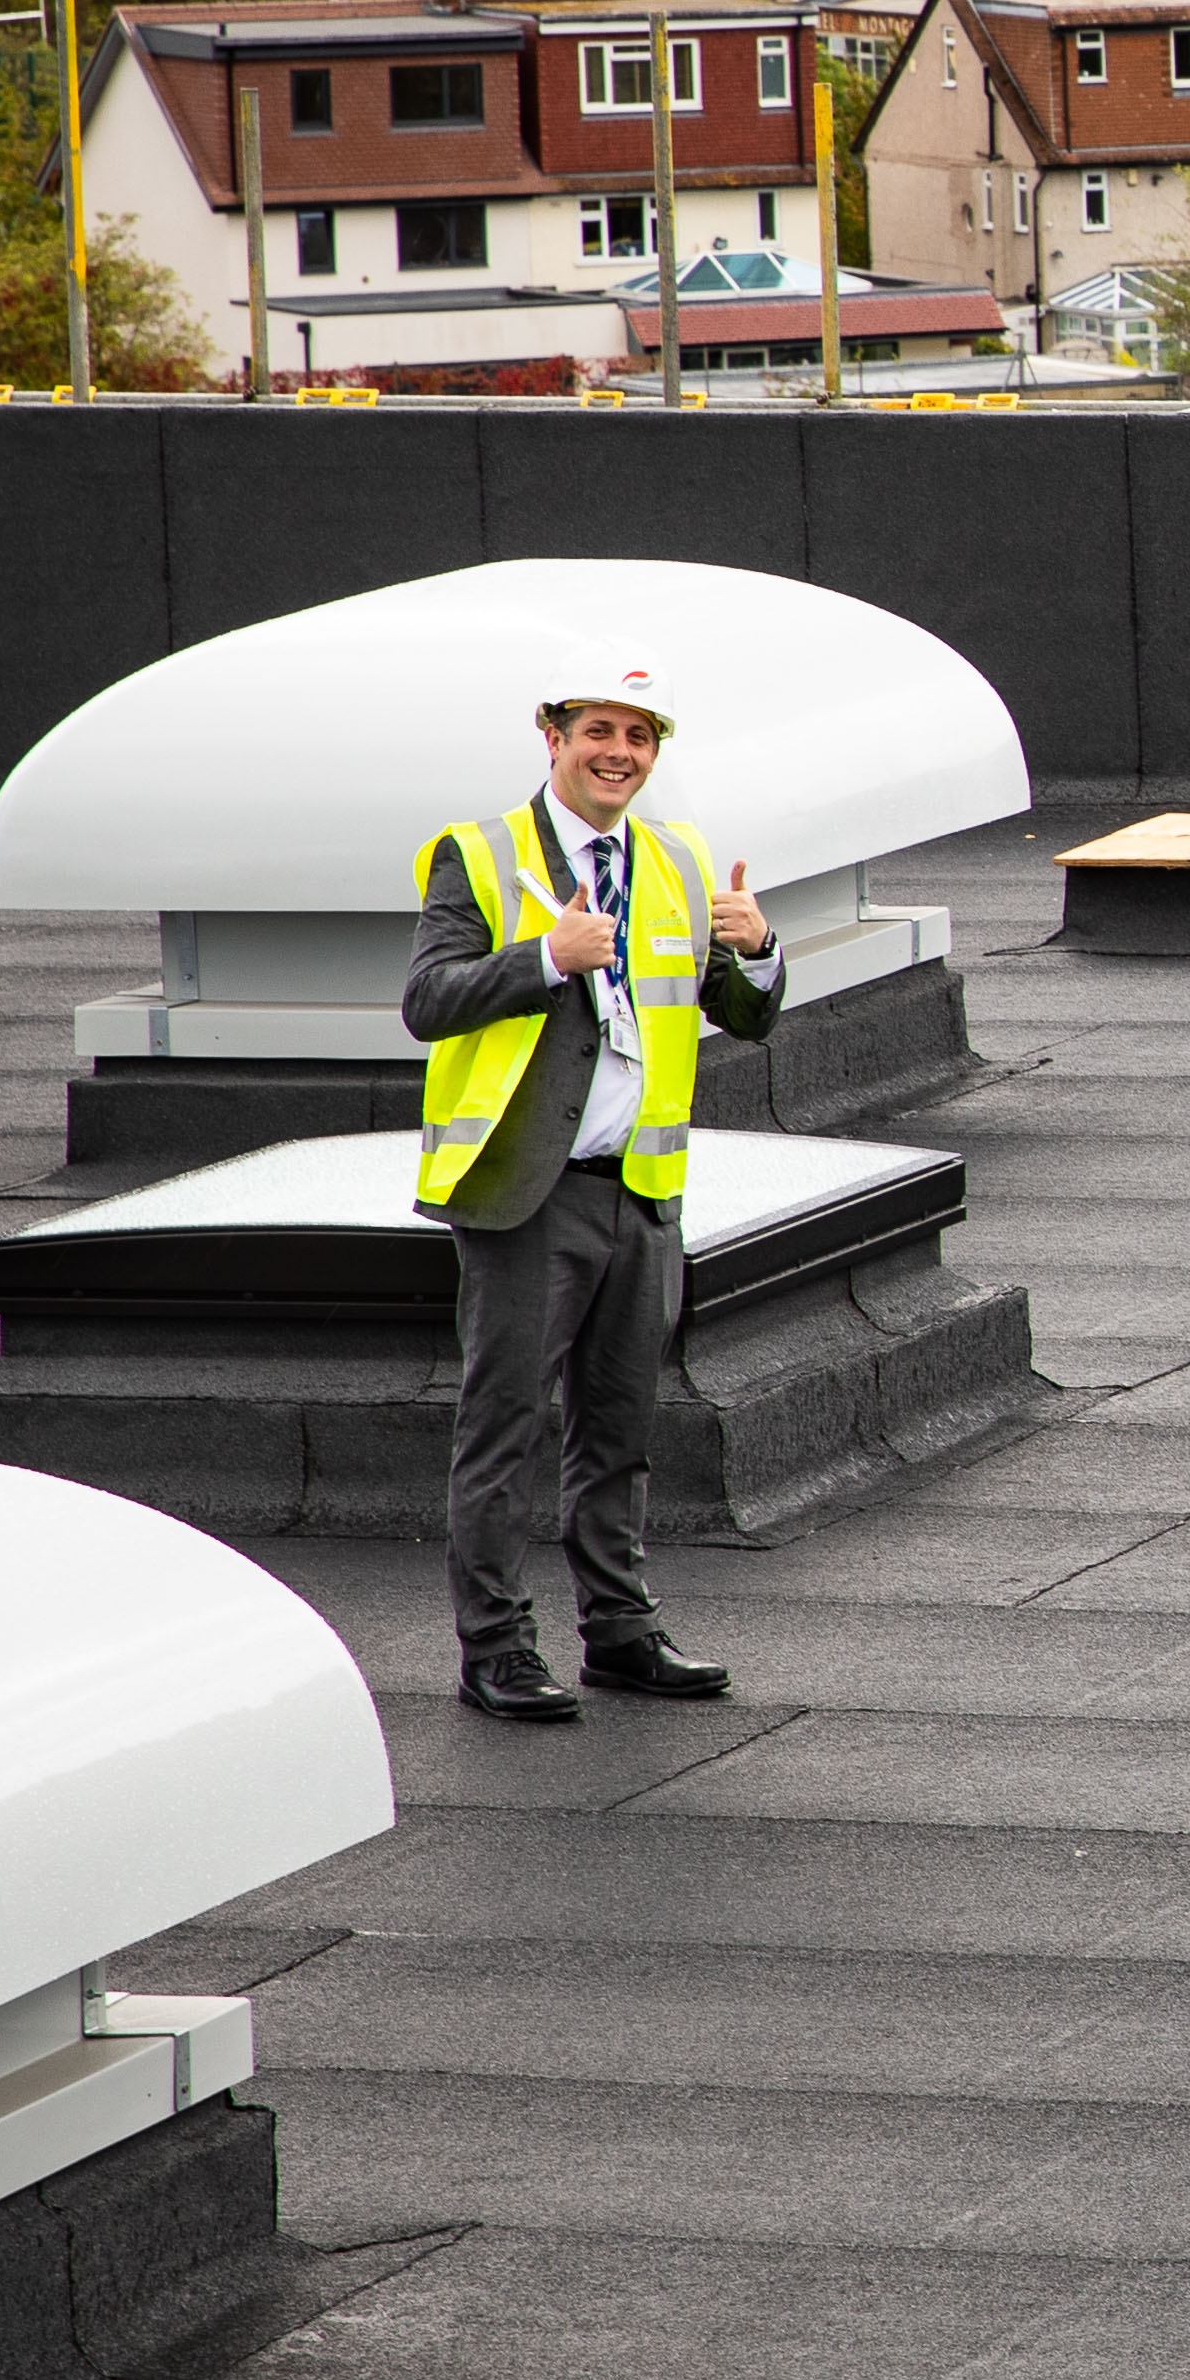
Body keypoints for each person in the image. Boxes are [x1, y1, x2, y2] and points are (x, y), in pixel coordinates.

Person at [407, 657, 779, 1723]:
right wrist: (546, 956)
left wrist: (758, 949)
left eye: (640, 738)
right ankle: (496, 1649)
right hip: (528, 1195)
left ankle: (619, 1632)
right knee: (506, 1426)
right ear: (553, 738)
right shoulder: (477, 855)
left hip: (642, 1191)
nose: (619, 754)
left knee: (620, 1428)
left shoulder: (674, 857)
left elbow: (739, 1014)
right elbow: (427, 1003)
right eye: (598, 732)